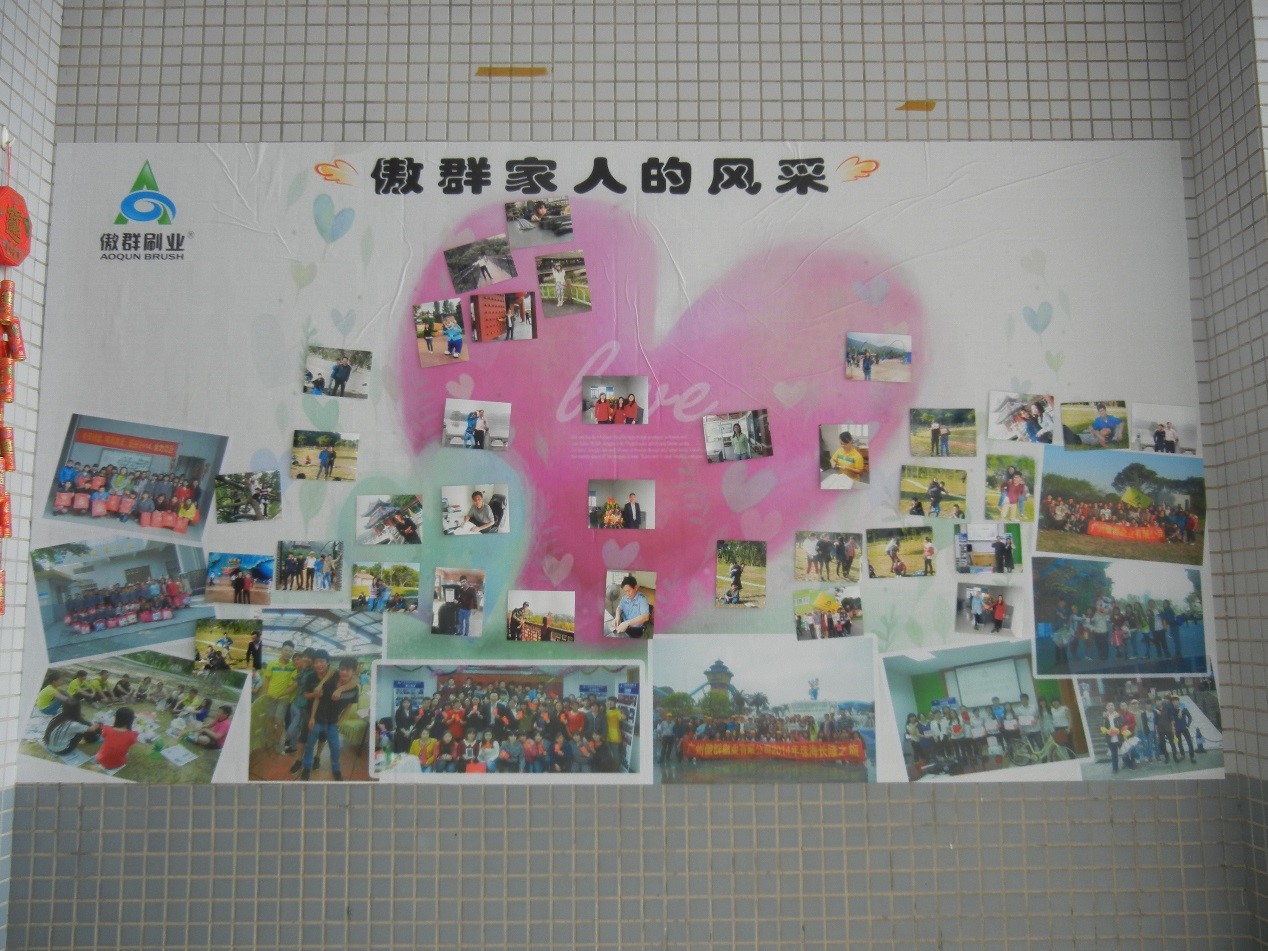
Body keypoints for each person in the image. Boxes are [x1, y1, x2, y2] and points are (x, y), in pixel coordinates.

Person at [300, 655, 360, 781]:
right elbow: (317, 699)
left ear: (353, 672)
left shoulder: (355, 689)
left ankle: (336, 770)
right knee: (310, 745)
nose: (344, 672)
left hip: (332, 722)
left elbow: (348, 707)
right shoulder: (331, 680)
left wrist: (340, 721)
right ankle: (306, 768)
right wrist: (312, 717)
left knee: (335, 748)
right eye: (342, 669)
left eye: (348, 670)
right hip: (318, 719)